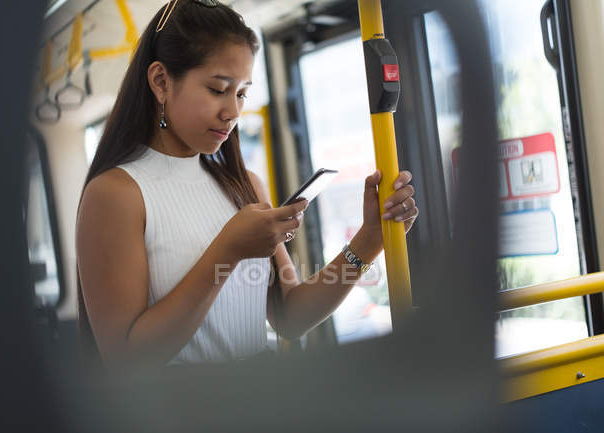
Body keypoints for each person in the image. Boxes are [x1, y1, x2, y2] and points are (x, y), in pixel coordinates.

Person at [75, 0, 419, 369]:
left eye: (241, 93)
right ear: (161, 82)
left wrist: (367, 242)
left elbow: (290, 316)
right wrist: (227, 251)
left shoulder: (245, 185)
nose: (234, 112)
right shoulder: (116, 194)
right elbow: (126, 360)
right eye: (218, 89)